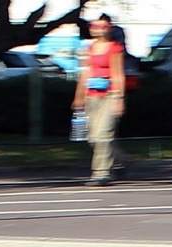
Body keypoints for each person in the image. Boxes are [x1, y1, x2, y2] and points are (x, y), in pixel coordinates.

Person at [72, 14, 126, 187]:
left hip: (109, 94)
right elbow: (85, 73)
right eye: (95, 26)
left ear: (109, 29)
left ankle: (101, 173)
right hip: (91, 95)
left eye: (103, 26)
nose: (98, 29)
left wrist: (119, 98)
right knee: (94, 137)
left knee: (104, 134)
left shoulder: (114, 48)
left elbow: (118, 75)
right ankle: (122, 160)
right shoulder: (88, 48)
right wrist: (79, 96)